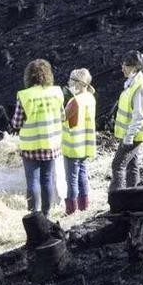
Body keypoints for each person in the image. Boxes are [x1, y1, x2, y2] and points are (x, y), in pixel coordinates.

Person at [10, 59, 65, 217]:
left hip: (31, 146)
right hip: (51, 144)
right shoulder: (56, 93)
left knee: (32, 182)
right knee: (47, 180)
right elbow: (62, 116)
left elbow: (17, 122)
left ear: (29, 76)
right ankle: (46, 214)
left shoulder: (24, 95)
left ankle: (34, 215)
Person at [108, 50, 143, 194]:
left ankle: (116, 199)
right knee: (132, 165)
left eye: (125, 65)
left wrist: (129, 136)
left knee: (117, 166)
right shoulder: (133, 82)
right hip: (132, 134)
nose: (122, 68)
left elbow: (139, 116)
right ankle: (133, 197)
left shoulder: (139, 86)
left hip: (133, 135)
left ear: (134, 67)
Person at [62, 68, 96, 215]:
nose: (69, 83)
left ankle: (71, 209)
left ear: (80, 84)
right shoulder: (90, 98)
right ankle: (84, 206)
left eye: (72, 81)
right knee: (82, 174)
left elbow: (62, 117)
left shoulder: (75, 101)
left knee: (72, 179)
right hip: (85, 145)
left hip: (73, 146)